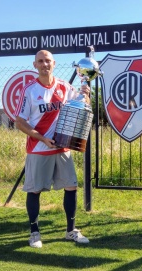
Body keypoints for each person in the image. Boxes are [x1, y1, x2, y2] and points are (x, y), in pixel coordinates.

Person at [14, 50, 91, 248]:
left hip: (63, 148)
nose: (44, 64)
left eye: (47, 61)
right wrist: (42, 138)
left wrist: (86, 95)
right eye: (40, 61)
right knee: (34, 190)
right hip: (39, 148)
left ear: (54, 63)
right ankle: (34, 233)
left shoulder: (65, 87)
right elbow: (19, 122)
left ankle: (71, 231)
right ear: (35, 65)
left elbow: (82, 107)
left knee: (71, 186)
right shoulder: (29, 90)